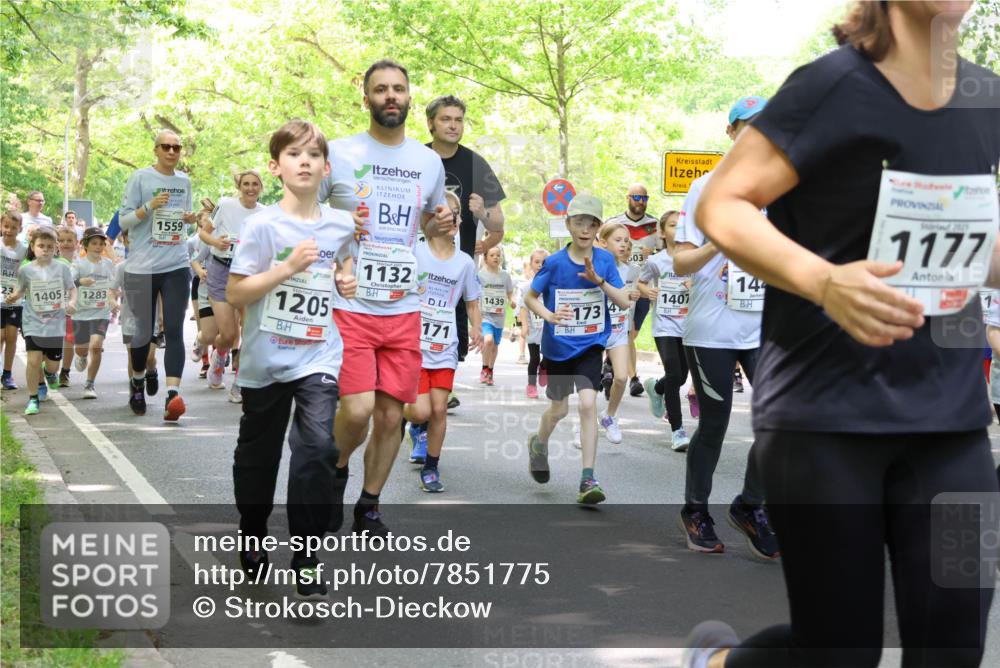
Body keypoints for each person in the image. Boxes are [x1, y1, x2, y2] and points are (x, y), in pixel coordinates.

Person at [680, 2, 1000, 666]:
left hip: (953, 420)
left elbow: (974, 246)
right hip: (825, 416)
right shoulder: (832, 86)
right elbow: (722, 203)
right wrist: (825, 281)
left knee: (955, 648)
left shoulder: (985, 98)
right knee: (839, 653)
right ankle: (717, 662)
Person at [319, 59, 452, 536]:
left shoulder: (428, 161)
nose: (390, 96)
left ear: (410, 98)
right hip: (352, 303)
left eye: (398, 89)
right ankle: (335, 472)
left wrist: (440, 225)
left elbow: (427, 225)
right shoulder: (338, 152)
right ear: (367, 98)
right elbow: (305, 213)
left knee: (392, 415)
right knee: (355, 410)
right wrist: (336, 229)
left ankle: (369, 503)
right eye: (381, 89)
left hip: (404, 305)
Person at [227, 119, 357, 600]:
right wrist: (285, 268)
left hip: (318, 355)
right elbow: (238, 292)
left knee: (318, 450)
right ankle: (253, 529)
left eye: (314, 155)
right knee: (258, 459)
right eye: (294, 154)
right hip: (265, 360)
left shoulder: (341, 223)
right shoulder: (261, 224)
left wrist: (346, 279)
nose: (305, 161)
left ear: (326, 167)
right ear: (275, 165)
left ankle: (306, 554)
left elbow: (344, 261)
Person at [672, 95, 777, 559]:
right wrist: (718, 241)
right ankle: (696, 509)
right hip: (712, 329)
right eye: (749, 126)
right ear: (731, 132)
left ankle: (750, 506)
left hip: (765, 328)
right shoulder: (704, 189)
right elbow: (679, 263)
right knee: (713, 425)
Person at [523, 193, 631, 505]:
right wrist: (548, 316)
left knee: (587, 405)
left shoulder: (605, 260)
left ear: (598, 228)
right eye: (579, 222)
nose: (585, 228)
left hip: (590, 344)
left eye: (592, 223)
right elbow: (530, 297)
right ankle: (539, 443)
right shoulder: (554, 263)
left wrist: (599, 281)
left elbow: (623, 301)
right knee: (559, 409)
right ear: (568, 224)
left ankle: (588, 478)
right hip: (558, 347)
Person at [425, 95, 506, 407]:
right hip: (418, 261)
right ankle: (428, 397)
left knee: (454, 341)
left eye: (458, 120)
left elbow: (499, 220)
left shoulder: (475, 163)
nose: (453, 125)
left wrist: (483, 212)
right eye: (446, 119)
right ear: (431, 123)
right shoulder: (417, 157)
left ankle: (440, 387)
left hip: (456, 268)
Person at [403, 190, 482, 489]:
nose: (448, 217)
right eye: (441, 212)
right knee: (420, 411)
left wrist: (477, 329)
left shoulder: (464, 263)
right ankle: (408, 419)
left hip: (444, 344)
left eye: (454, 213)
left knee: (438, 409)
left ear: (459, 221)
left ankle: (431, 468)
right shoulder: (415, 252)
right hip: (413, 344)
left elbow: (472, 301)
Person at [118, 130, 199, 420]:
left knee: (175, 330)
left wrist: (189, 219)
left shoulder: (184, 181)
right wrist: (149, 207)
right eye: (166, 146)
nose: (172, 151)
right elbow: (123, 220)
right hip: (142, 266)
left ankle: (172, 396)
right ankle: (137, 381)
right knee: (142, 332)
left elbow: (183, 220)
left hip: (176, 263)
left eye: (177, 147)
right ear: (156, 149)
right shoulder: (140, 178)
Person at [200, 170, 264, 402]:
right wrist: (216, 241)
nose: (250, 188)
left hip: (248, 273)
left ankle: (239, 384)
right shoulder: (225, 206)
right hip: (220, 268)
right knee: (227, 334)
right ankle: (219, 358)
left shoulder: (265, 213)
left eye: (255, 184)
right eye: (246, 184)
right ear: (239, 186)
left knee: (250, 333)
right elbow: (204, 233)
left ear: (261, 187)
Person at [5, 226, 75, 415]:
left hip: (55, 323)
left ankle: (49, 374)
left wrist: (72, 303)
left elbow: (72, 289)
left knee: (52, 366)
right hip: (33, 321)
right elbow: (21, 290)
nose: (45, 249)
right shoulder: (26, 270)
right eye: (41, 246)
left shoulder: (62, 268)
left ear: (55, 248)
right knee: (33, 360)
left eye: (49, 246)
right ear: (33, 247)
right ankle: (33, 398)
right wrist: (14, 296)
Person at [640, 210, 692, 451]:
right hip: (664, 324)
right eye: (672, 225)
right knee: (674, 372)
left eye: (681, 225)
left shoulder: (694, 258)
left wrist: (695, 284)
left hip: (689, 325)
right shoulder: (656, 261)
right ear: (662, 232)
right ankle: (678, 431)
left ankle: (656, 387)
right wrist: (647, 291)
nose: (677, 228)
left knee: (680, 377)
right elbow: (641, 281)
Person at [605, 184, 659, 397]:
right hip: (621, 285)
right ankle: (632, 376)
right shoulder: (615, 223)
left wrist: (652, 253)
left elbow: (666, 255)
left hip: (644, 286)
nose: (640, 201)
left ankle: (609, 364)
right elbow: (602, 248)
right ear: (628, 197)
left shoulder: (655, 225)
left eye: (644, 198)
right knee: (624, 331)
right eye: (636, 197)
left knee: (632, 333)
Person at [596, 223, 640, 444]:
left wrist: (634, 296)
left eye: (626, 240)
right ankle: (581, 423)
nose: (623, 244)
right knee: (590, 382)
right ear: (603, 242)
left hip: (619, 330)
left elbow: (632, 295)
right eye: (618, 240)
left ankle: (609, 416)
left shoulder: (630, 270)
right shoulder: (594, 268)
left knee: (622, 377)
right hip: (595, 331)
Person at [70, 228, 116, 399]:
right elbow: (68, 283)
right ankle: (81, 356)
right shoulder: (78, 264)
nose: (98, 247)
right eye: (94, 243)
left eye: (101, 244)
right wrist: (80, 281)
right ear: (85, 245)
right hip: (81, 313)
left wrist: (114, 298)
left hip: (101, 311)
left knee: (96, 346)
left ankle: (90, 384)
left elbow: (114, 284)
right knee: (82, 348)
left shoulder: (109, 264)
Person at [477, 245, 514, 386]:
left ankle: (490, 370)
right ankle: (484, 369)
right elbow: (475, 293)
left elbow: (510, 292)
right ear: (485, 258)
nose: (495, 257)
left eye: (498, 255)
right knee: (488, 341)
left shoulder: (505, 275)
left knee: (495, 345)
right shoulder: (480, 275)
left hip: (499, 315)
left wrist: (512, 301)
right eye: (492, 255)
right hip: (485, 315)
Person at [1, 212, 26, 390]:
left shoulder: (23, 250)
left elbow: (27, 273)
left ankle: (7, 374)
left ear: (20, 229)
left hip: (15, 299)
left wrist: (19, 292)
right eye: (6, 226)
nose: (9, 230)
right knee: (0, 336)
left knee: (11, 337)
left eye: (13, 227)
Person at [520, 249, 548, 398]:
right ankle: (531, 385)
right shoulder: (526, 287)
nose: (540, 265)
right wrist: (524, 325)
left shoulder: (551, 285)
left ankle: (544, 367)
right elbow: (523, 307)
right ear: (531, 264)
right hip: (533, 328)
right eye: (536, 262)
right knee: (534, 358)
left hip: (548, 328)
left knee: (549, 357)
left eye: (543, 262)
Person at [56, 226, 80, 386]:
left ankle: (65, 372)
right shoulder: (51, 262)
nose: (65, 243)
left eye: (69, 240)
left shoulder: (79, 264)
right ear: (56, 243)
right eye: (61, 240)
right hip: (53, 308)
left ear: (77, 243)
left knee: (69, 341)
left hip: (72, 309)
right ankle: (49, 367)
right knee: (52, 340)